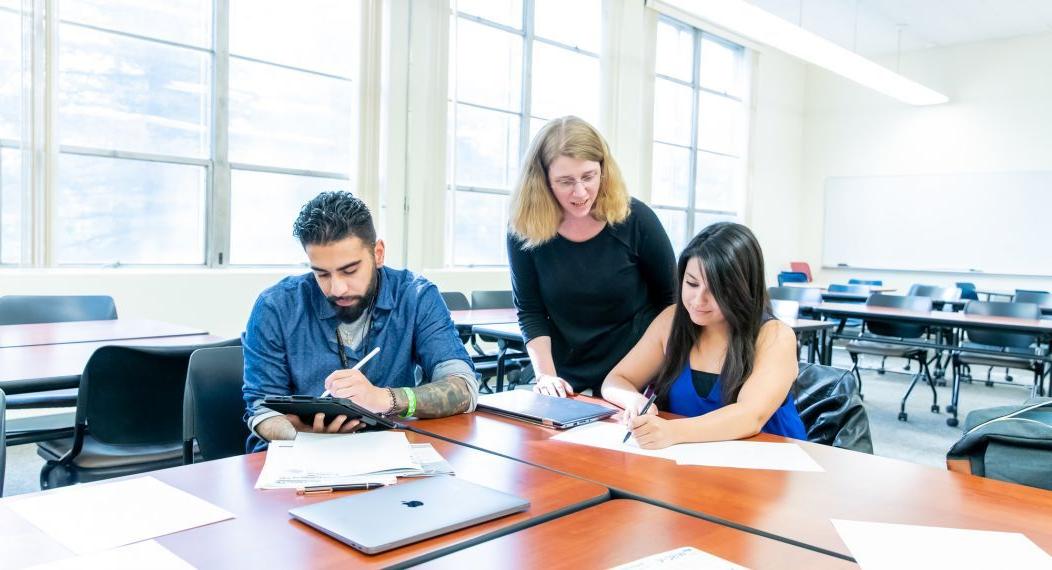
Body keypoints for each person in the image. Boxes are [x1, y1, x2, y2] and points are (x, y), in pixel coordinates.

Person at [242, 191, 477, 451]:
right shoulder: (275, 307)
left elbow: (463, 388)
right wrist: (304, 435)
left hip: (388, 453)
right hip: (299, 459)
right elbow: (260, 408)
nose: (337, 288)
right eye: (322, 274)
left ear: (378, 253)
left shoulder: (416, 296)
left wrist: (385, 399)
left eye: (350, 270)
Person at [507, 116, 676, 397]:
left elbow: (671, 302)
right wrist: (547, 377)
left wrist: (653, 372)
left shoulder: (637, 220)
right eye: (565, 181)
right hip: (568, 370)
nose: (580, 192)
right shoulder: (524, 230)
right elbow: (530, 310)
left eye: (589, 176)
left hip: (636, 370)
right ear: (543, 181)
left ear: (603, 170)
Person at [600, 222, 805, 449]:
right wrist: (635, 400)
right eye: (692, 284)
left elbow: (750, 417)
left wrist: (671, 431)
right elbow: (616, 380)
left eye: (715, 290)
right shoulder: (671, 321)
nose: (698, 301)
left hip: (769, 466)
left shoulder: (775, 336)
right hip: (693, 465)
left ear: (743, 288)